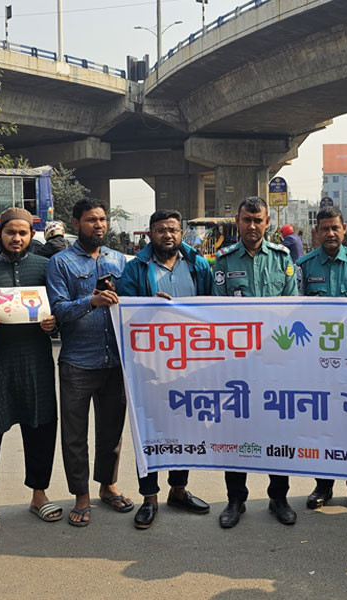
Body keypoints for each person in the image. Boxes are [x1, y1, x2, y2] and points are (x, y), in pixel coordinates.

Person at [0, 208, 62, 534]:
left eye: (23, 233)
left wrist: (54, 323)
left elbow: (59, 308)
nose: (17, 238)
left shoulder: (47, 268)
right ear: (0, 234)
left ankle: (39, 494)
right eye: (11, 232)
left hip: (36, 361)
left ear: (32, 234)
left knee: (41, 427)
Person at [119, 209, 213, 529]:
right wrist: (150, 309)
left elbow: (214, 308)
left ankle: (178, 490)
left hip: (190, 362)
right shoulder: (136, 268)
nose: (168, 235)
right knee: (149, 430)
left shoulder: (199, 265)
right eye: (161, 230)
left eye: (173, 229)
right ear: (150, 234)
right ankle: (149, 497)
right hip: (149, 363)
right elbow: (124, 311)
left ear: (181, 232)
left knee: (182, 429)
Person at [45, 197, 133, 527]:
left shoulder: (120, 260)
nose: (98, 225)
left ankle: (107, 486)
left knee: (111, 430)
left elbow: (133, 300)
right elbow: (59, 310)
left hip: (115, 360)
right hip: (78, 361)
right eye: (91, 219)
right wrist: (92, 300)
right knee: (75, 434)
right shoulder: (61, 263)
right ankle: (81, 495)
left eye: (102, 219)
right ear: (76, 223)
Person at [213, 196, 299, 528]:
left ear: (268, 223)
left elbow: (294, 308)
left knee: (279, 431)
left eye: (258, 220)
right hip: (237, 366)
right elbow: (216, 312)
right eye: (247, 220)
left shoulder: (283, 259)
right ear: (237, 221)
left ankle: (279, 497)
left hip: (277, 364)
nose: (252, 226)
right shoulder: (222, 262)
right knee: (236, 432)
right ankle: (236, 500)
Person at [296, 205, 347, 513]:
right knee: (321, 423)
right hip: (317, 362)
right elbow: (294, 310)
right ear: (316, 232)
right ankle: (323, 484)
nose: (330, 233)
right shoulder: (302, 266)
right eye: (324, 228)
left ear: (345, 230)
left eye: (335, 228)